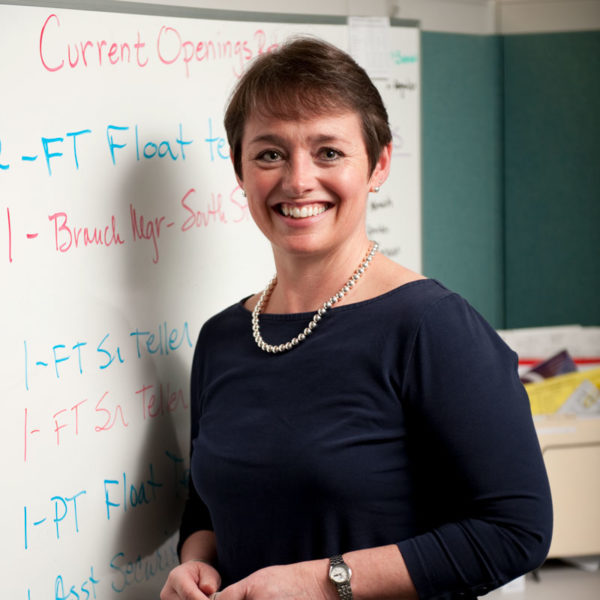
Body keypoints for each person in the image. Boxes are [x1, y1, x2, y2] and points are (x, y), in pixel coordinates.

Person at [160, 37, 552, 600]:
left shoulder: (432, 327)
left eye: (329, 152)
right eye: (270, 153)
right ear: (240, 171)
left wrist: (324, 582)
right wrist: (196, 562)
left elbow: (517, 532)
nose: (298, 181)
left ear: (379, 163)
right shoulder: (223, 337)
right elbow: (207, 502)